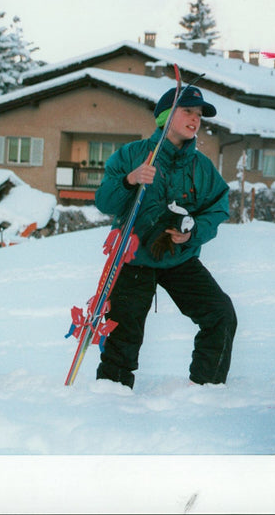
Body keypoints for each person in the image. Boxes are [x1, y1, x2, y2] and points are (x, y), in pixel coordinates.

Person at [93, 85, 237, 389]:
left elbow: (219, 208)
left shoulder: (202, 167)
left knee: (221, 314)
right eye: (188, 111)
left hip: (179, 258)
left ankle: (207, 389)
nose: (195, 119)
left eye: (199, 115)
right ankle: (111, 395)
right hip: (134, 257)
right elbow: (105, 202)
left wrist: (193, 232)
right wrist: (130, 180)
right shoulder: (133, 154)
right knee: (124, 330)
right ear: (165, 117)